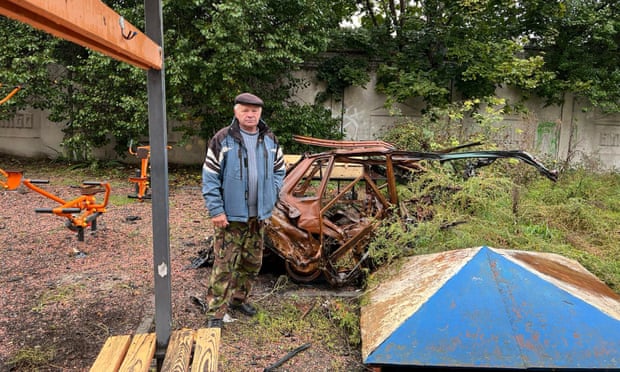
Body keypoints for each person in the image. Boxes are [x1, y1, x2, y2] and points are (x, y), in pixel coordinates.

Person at [201, 92, 286, 328]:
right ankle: (216, 313)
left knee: (252, 262)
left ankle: (239, 300)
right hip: (230, 217)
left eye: (255, 111)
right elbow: (209, 178)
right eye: (245, 110)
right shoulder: (223, 139)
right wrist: (216, 210)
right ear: (236, 112)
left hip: (258, 216)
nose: (250, 114)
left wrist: (273, 191)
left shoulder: (269, 139)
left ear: (260, 113)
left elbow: (280, 170)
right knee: (224, 264)